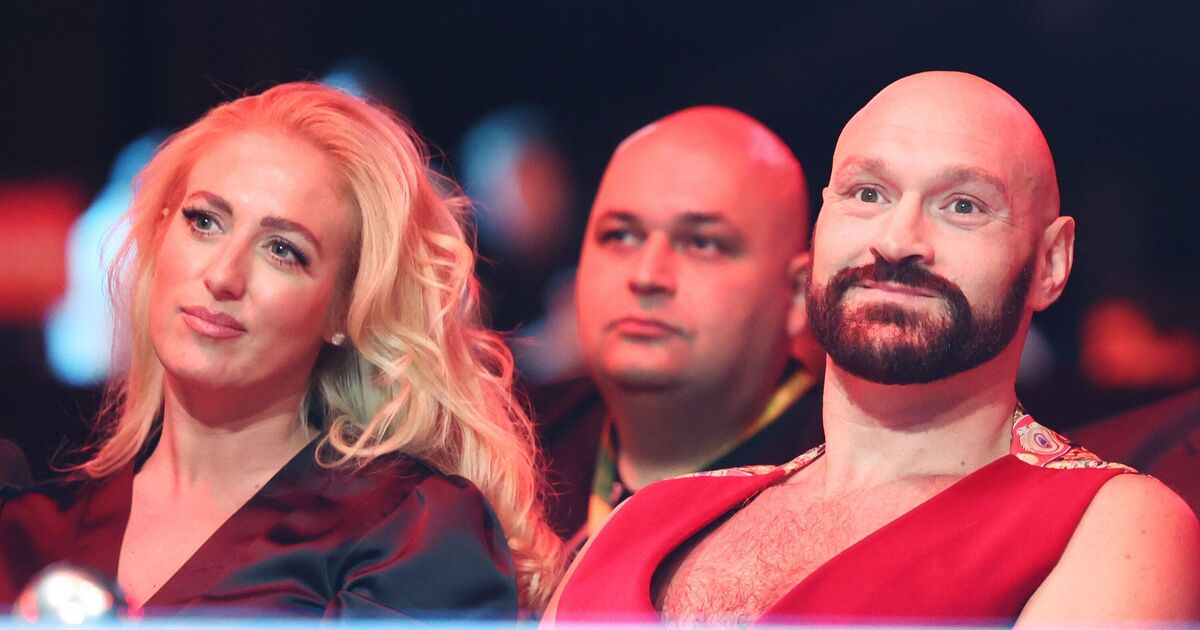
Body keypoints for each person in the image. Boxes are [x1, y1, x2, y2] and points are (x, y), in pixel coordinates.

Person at [546, 72, 1200, 625]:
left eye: (963, 206)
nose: (897, 240)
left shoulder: (1111, 525)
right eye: (867, 194)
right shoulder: (648, 514)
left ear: (1051, 263)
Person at [0, 83, 563, 618]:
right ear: (160, 231)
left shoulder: (410, 535)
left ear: (344, 309)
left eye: (282, 251)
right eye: (205, 222)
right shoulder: (23, 528)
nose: (223, 275)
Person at [533, 106, 825, 544]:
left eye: (702, 243)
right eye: (620, 235)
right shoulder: (508, 449)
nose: (647, 275)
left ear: (799, 294)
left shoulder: (850, 494)